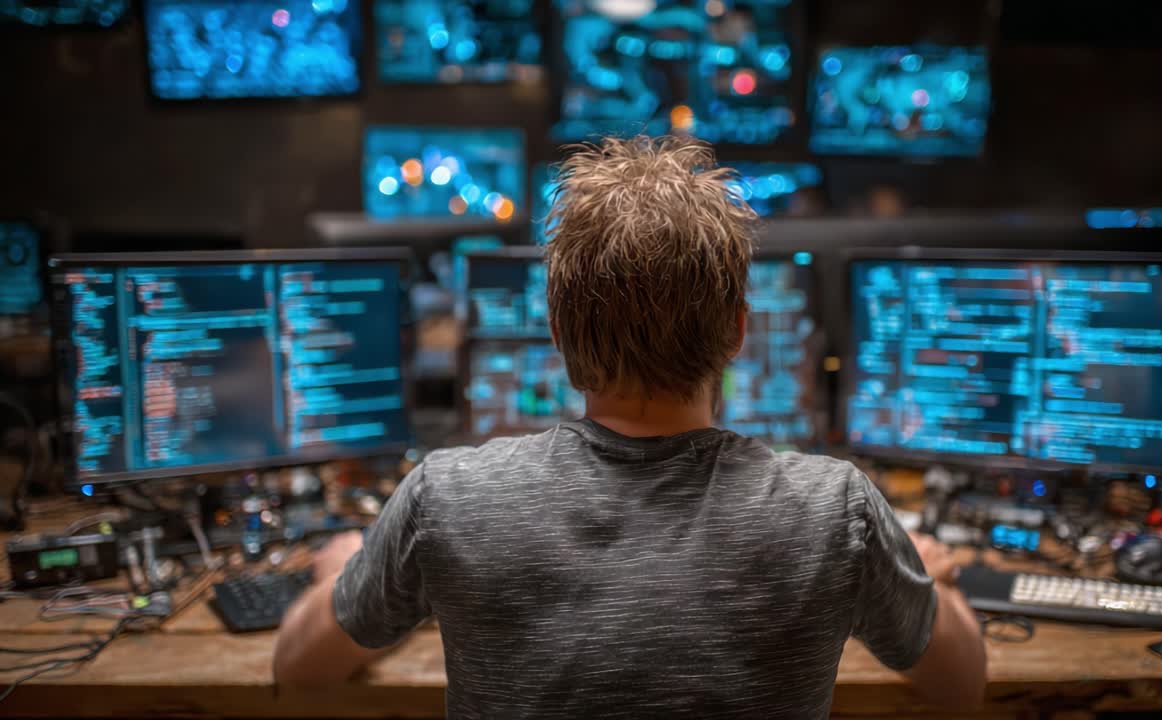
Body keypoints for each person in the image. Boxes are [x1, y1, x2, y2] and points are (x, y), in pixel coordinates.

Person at [273, 136, 987, 717]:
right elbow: (963, 683)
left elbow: (299, 669)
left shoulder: (449, 497)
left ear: (556, 328)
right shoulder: (836, 511)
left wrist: (343, 575)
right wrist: (933, 576)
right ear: (739, 331)